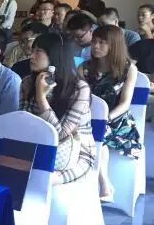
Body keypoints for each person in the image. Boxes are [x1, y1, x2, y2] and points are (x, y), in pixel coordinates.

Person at [21, 33, 95, 184]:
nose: (31, 56)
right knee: (8, 171)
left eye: (38, 51)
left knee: (42, 180)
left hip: (73, 154)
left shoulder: (79, 88)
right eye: (32, 50)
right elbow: (23, 121)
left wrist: (41, 98)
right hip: (35, 146)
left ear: (56, 56)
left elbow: (60, 135)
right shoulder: (28, 82)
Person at [79, 25, 141, 200]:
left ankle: (104, 184)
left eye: (102, 42)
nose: (95, 46)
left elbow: (125, 103)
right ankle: (103, 183)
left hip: (117, 119)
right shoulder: (84, 68)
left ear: (114, 45)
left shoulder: (128, 69)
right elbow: (80, 99)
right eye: (94, 42)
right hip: (88, 118)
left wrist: (105, 119)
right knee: (90, 132)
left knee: (99, 133)